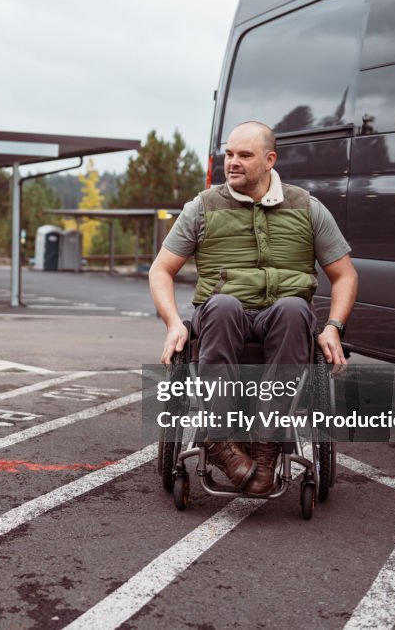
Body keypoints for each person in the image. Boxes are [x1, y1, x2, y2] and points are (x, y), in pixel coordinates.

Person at [149, 121, 357, 496]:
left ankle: (264, 447)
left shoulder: (308, 208)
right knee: (224, 304)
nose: (233, 162)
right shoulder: (202, 207)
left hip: (284, 320)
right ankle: (221, 438)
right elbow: (161, 270)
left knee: (295, 308)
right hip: (222, 318)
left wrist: (333, 327)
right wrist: (173, 324)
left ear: (269, 160)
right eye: (229, 154)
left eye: (244, 155)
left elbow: (345, 276)